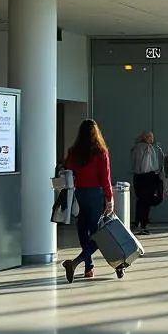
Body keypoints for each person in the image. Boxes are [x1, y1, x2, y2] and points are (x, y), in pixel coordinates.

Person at [62, 119, 113, 283]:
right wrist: (109, 198)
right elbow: (106, 178)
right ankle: (76, 262)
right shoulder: (100, 151)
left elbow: (68, 170)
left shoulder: (73, 152)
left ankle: (89, 267)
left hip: (78, 195)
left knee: (83, 231)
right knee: (99, 235)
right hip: (94, 195)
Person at [129, 129, 163, 236]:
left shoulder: (136, 148)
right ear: (145, 137)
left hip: (139, 177)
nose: (152, 139)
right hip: (148, 177)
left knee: (141, 200)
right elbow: (148, 165)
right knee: (146, 201)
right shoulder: (147, 148)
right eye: (150, 137)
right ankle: (143, 224)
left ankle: (138, 222)